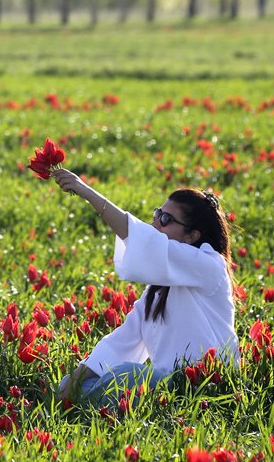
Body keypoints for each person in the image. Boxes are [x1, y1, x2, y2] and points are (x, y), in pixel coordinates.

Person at [50, 169, 240, 402]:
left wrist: (87, 192)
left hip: (205, 386)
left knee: (125, 376)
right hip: (165, 386)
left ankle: (84, 407)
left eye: (166, 220)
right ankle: (85, 404)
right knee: (75, 382)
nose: (156, 223)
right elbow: (123, 341)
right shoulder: (157, 290)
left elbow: (145, 241)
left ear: (192, 236)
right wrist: (77, 377)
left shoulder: (209, 265)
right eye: (158, 213)